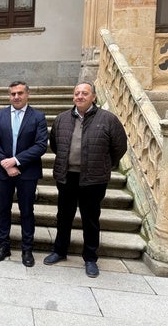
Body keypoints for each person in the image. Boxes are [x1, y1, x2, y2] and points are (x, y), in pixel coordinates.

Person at [43, 81, 127, 278]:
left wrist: (103, 165)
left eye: (84, 93)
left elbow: (119, 147)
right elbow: (55, 144)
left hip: (94, 179)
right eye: (77, 93)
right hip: (66, 176)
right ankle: (60, 250)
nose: (80, 96)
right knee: (64, 216)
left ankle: (90, 258)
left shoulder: (108, 119)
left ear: (94, 97)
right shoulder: (62, 119)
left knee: (90, 219)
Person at [0, 81, 48, 267]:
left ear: (27, 94)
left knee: (27, 212)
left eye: (20, 93)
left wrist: (16, 161)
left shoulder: (38, 116)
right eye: (13, 93)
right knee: (3, 210)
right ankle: (3, 246)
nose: (16, 96)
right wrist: (6, 164)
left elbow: (40, 145)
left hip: (27, 172)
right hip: (2, 172)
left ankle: (27, 249)